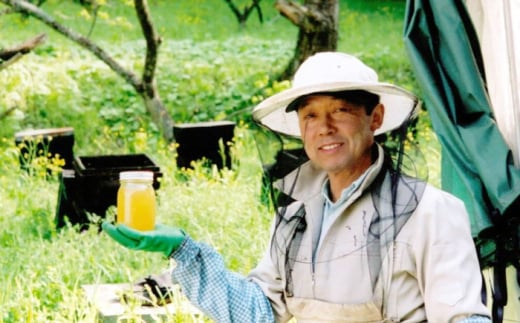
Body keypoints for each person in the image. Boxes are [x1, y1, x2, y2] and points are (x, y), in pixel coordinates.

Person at [102, 52, 492, 322]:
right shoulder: (295, 215)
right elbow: (258, 313)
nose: (325, 127)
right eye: (311, 116)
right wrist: (185, 251)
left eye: (340, 110)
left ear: (375, 118)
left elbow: (464, 318)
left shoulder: (431, 210)